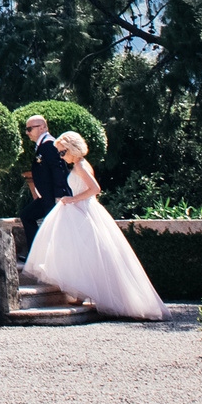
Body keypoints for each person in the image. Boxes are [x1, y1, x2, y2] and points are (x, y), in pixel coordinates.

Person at [24, 130, 166, 319]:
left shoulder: (81, 166)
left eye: (62, 152)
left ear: (72, 149)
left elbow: (95, 189)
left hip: (84, 210)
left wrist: (72, 199)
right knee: (83, 254)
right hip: (81, 210)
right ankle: (81, 293)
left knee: (88, 254)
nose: (61, 157)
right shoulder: (79, 165)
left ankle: (85, 294)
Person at [17, 112, 74, 259]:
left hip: (54, 197)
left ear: (42, 127)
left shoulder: (49, 145)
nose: (27, 132)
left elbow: (59, 171)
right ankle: (36, 254)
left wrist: (59, 196)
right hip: (46, 197)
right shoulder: (42, 145)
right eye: (27, 129)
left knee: (57, 230)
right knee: (27, 215)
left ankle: (48, 257)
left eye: (30, 129)